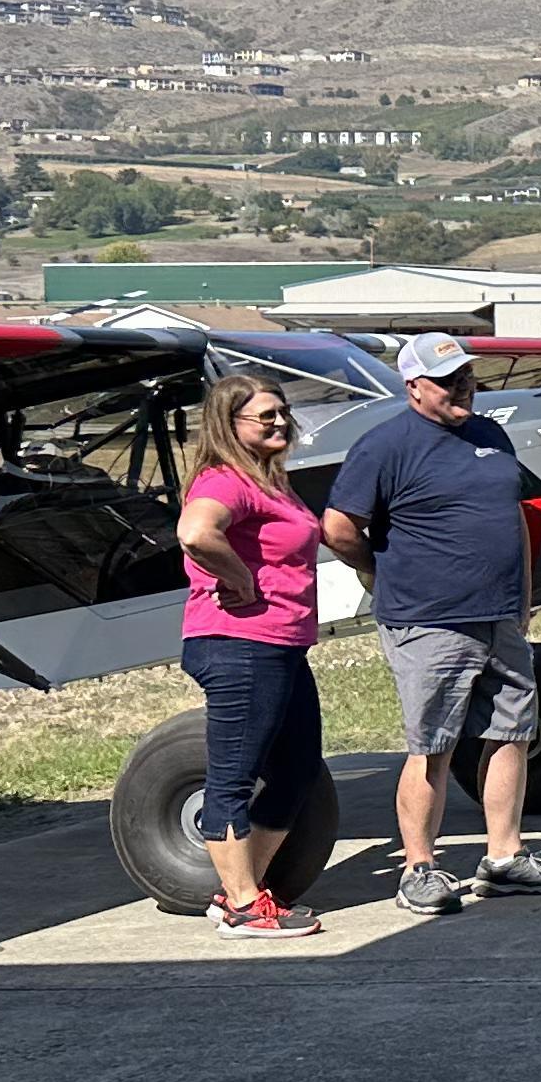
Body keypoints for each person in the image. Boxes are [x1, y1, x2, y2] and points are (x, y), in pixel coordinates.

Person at [321, 331, 541, 913]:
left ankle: (504, 857)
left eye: (466, 376)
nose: (463, 387)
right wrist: (379, 572)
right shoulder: (385, 446)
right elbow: (338, 525)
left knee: (512, 732)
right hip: (429, 621)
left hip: (500, 616)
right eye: (447, 380)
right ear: (413, 387)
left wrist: (524, 594)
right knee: (432, 745)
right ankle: (419, 869)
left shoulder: (491, 435)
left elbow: (512, 515)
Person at [175, 374, 326, 937]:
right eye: (265, 416)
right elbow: (195, 533)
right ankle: (241, 908)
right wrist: (238, 577)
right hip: (240, 644)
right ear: (229, 425)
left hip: (281, 644)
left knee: (296, 770)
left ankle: (243, 891)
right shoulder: (223, 480)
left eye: (282, 412)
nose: (280, 422)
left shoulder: (269, 483)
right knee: (234, 777)